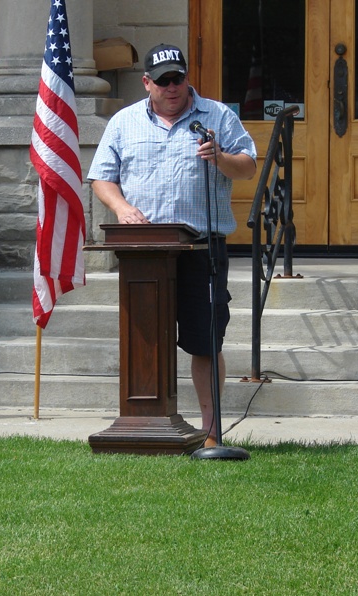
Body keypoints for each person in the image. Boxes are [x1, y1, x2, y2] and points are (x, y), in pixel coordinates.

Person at [87, 43, 257, 448]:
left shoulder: (217, 116)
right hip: (145, 253)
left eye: (177, 78)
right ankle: (146, 423)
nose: (172, 87)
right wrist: (122, 208)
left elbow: (249, 166)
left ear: (186, 78)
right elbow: (101, 178)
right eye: (163, 81)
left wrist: (220, 158)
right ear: (147, 83)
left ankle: (211, 432)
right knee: (145, 340)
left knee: (205, 341)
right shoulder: (124, 122)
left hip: (202, 248)